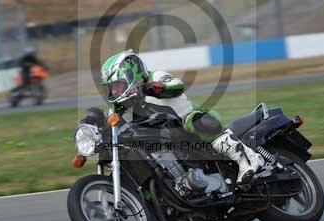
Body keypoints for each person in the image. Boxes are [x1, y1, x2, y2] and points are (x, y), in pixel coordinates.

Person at [96, 49, 267, 185]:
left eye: (118, 85)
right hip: (167, 144)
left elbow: (177, 85)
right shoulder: (120, 109)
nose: (115, 91)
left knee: (197, 123)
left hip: (189, 123)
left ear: (133, 77)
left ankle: (249, 160)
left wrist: (154, 88)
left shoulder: (155, 77)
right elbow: (111, 129)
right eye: (111, 88)